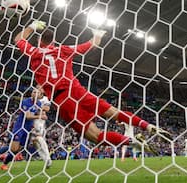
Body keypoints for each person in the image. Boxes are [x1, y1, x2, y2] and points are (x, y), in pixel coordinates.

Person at [13, 20, 171, 154]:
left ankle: (133, 143)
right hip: (77, 90)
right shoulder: (63, 50)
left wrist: (32, 26)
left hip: (63, 100)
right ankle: (149, 126)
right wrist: (98, 33)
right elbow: (93, 44)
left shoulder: (33, 51)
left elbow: (18, 38)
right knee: (113, 112)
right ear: (53, 42)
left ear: (40, 40)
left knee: (95, 137)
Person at [0, 89, 46, 170]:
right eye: (34, 92)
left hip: (28, 129)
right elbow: (28, 116)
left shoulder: (38, 103)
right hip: (19, 127)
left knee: (17, 150)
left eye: (37, 93)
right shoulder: (25, 102)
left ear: (40, 95)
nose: (35, 93)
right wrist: (40, 116)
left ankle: (4, 165)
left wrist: (42, 113)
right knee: (13, 148)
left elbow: (37, 112)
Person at [32, 85, 52, 168]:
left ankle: (48, 158)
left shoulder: (45, 99)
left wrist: (37, 108)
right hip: (31, 120)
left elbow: (47, 109)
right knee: (34, 142)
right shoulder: (32, 99)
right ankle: (45, 159)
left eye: (40, 88)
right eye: (37, 88)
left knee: (38, 138)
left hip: (39, 121)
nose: (38, 89)